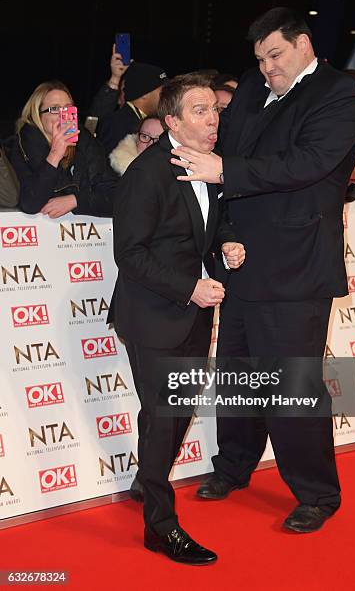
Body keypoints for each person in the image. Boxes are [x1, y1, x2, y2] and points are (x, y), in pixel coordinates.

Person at [171, 7, 355, 533]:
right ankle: (233, 465)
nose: (267, 68)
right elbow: (225, 149)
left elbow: (308, 164)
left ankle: (318, 494)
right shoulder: (255, 88)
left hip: (297, 268)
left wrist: (226, 170)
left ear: (303, 44)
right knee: (237, 375)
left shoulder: (338, 93)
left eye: (275, 55)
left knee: (292, 387)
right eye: (259, 59)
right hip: (240, 263)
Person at [109, 72, 245, 564]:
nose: (213, 119)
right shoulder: (146, 175)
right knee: (165, 415)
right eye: (200, 111)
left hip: (191, 314)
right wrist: (191, 287)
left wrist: (226, 240)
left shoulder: (208, 165)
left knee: (175, 412)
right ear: (171, 121)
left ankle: (147, 481)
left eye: (215, 110)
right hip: (152, 315)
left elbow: (209, 220)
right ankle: (160, 527)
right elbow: (132, 254)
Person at [9, 81, 117, 218]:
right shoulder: (23, 145)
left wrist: (75, 200)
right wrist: (54, 156)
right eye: (55, 109)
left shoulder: (84, 140)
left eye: (68, 109)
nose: (63, 116)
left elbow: (116, 196)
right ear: (37, 115)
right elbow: (30, 203)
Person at [97, 62, 167, 155]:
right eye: (162, 91)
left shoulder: (133, 121)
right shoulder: (117, 125)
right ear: (144, 94)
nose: (166, 96)